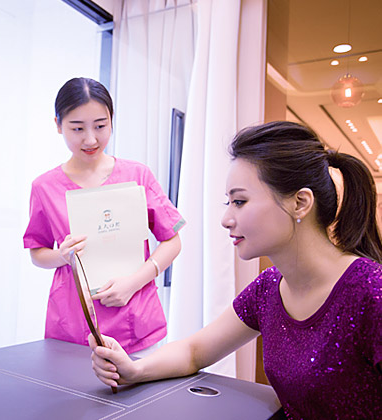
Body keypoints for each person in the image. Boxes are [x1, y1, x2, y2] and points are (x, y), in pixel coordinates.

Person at [89, 121, 382, 419]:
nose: (226, 219)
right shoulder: (268, 288)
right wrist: (134, 369)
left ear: (300, 203)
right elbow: (195, 351)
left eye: (240, 201)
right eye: (228, 202)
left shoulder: (372, 292)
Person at [23, 77, 184, 354]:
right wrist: (62, 255)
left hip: (136, 320)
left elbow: (173, 241)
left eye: (100, 126)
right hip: (73, 323)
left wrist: (133, 283)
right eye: (77, 128)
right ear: (58, 125)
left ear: (112, 120)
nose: (91, 139)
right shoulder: (44, 187)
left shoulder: (137, 175)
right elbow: (37, 252)